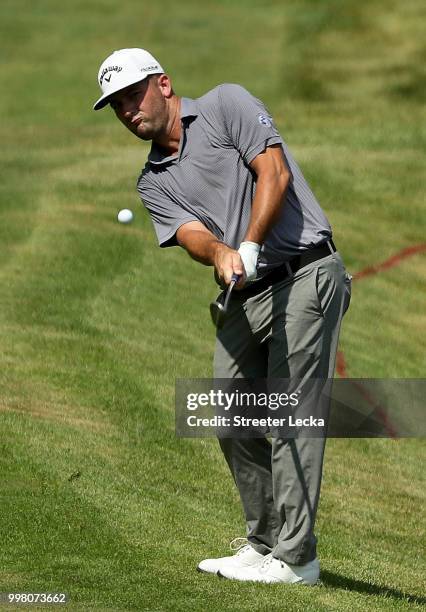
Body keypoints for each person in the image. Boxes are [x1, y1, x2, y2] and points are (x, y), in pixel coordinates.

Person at [93, 48, 351, 585]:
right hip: (246, 291)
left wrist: (250, 243)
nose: (126, 110)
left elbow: (273, 173)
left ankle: (298, 558)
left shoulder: (225, 105)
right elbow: (190, 233)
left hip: (306, 273)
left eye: (131, 95)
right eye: (116, 105)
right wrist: (219, 253)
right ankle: (264, 543)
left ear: (162, 84)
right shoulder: (152, 181)